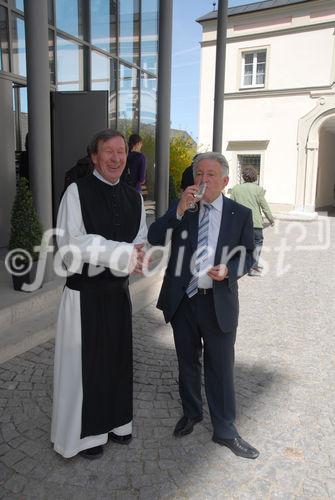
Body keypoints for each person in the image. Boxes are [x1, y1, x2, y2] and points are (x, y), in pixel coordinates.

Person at [148, 152, 259, 460]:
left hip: (218, 302)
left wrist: (230, 271)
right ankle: (192, 413)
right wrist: (179, 210)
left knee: (220, 367)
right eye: (199, 173)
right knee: (187, 361)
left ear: (224, 181)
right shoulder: (185, 207)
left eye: (211, 174)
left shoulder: (240, 214)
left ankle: (225, 429)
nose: (203, 179)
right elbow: (155, 237)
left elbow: (248, 255)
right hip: (184, 300)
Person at [51, 129, 147, 460]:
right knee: (84, 368)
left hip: (117, 296)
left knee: (116, 364)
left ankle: (116, 424)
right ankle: (83, 438)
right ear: (95, 156)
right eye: (108, 152)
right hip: (84, 298)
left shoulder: (134, 197)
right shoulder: (76, 193)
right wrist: (123, 253)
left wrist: (140, 255)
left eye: (121, 151)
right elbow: (71, 244)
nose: (116, 158)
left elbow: (139, 240)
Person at [230, 166, 274, 276]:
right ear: (255, 177)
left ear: (243, 176)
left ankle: (241, 266)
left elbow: (230, 206)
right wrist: (271, 219)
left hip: (240, 223)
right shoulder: (258, 190)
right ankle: (253, 267)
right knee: (257, 243)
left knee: (241, 244)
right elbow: (264, 207)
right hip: (255, 223)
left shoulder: (235, 189)